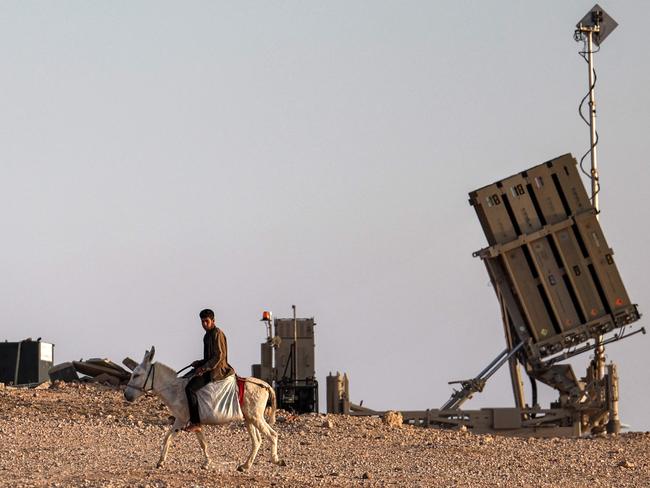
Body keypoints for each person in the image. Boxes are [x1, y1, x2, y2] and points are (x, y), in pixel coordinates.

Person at [184, 308, 235, 432]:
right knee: (185, 378)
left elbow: (219, 356)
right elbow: (209, 357)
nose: (204, 324)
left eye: (206, 321)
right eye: (202, 322)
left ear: (213, 320)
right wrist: (199, 363)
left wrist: (204, 367)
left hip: (217, 370)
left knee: (190, 388)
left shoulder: (217, 334)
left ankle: (196, 422)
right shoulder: (207, 335)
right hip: (209, 368)